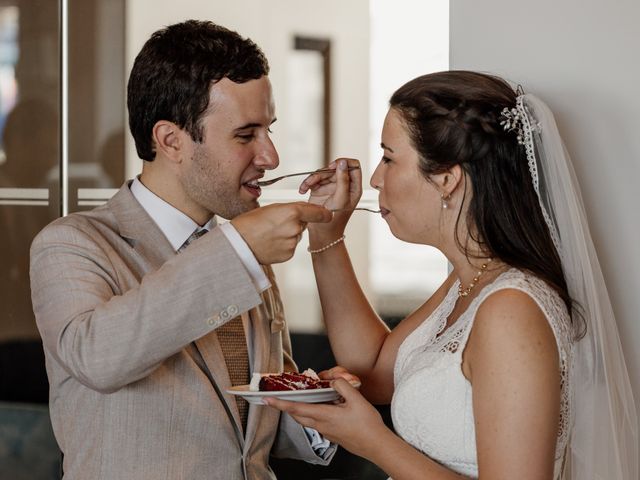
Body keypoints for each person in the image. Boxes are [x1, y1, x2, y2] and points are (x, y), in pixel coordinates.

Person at [264, 71, 638, 480]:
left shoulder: (510, 309)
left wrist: (373, 441)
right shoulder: (471, 281)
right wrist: (328, 234)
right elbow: (373, 372)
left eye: (389, 157)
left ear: (447, 178)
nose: (374, 178)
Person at [29, 20, 345, 479]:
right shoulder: (72, 245)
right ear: (171, 140)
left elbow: (248, 419)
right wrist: (237, 248)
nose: (271, 156)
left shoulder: (239, 250)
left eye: (268, 130)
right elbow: (98, 358)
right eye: (246, 135)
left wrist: (318, 402)